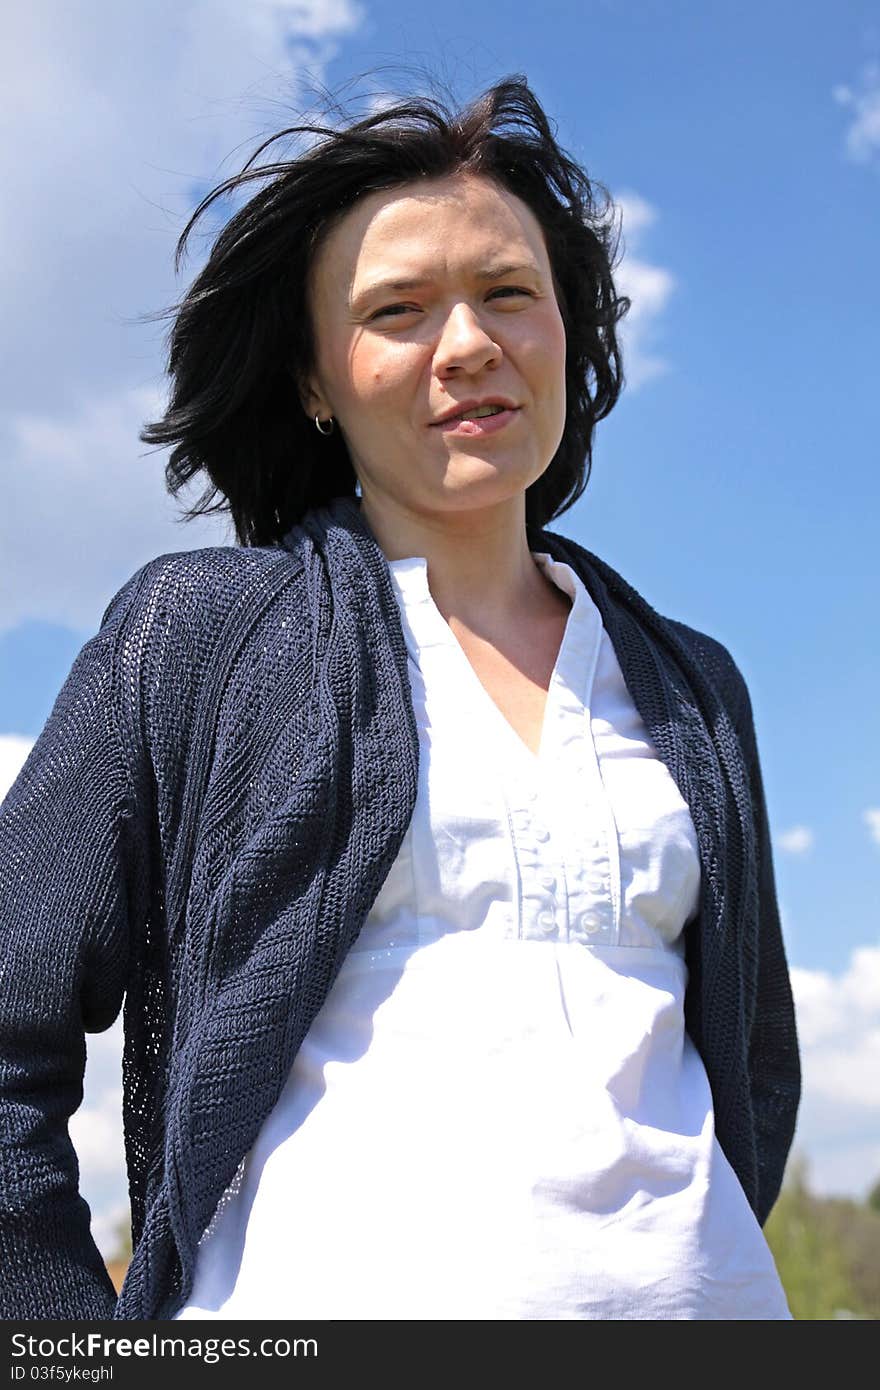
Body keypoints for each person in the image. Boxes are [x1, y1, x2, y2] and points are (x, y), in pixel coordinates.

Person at [0, 75, 799, 1322]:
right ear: (318, 382)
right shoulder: (198, 637)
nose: (468, 343)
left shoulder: (693, 684)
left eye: (509, 294)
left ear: (569, 336)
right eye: (399, 309)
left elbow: (751, 1060)